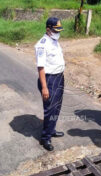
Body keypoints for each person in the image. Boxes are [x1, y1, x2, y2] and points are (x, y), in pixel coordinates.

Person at [35, 17, 65, 151]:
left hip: (58, 78)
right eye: (55, 30)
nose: (58, 32)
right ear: (48, 29)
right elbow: (41, 67)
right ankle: (45, 138)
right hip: (49, 80)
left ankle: (51, 129)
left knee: (56, 108)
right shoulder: (42, 44)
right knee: (50, 110)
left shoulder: (54, 40)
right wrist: (45, 87)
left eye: (59, 30)